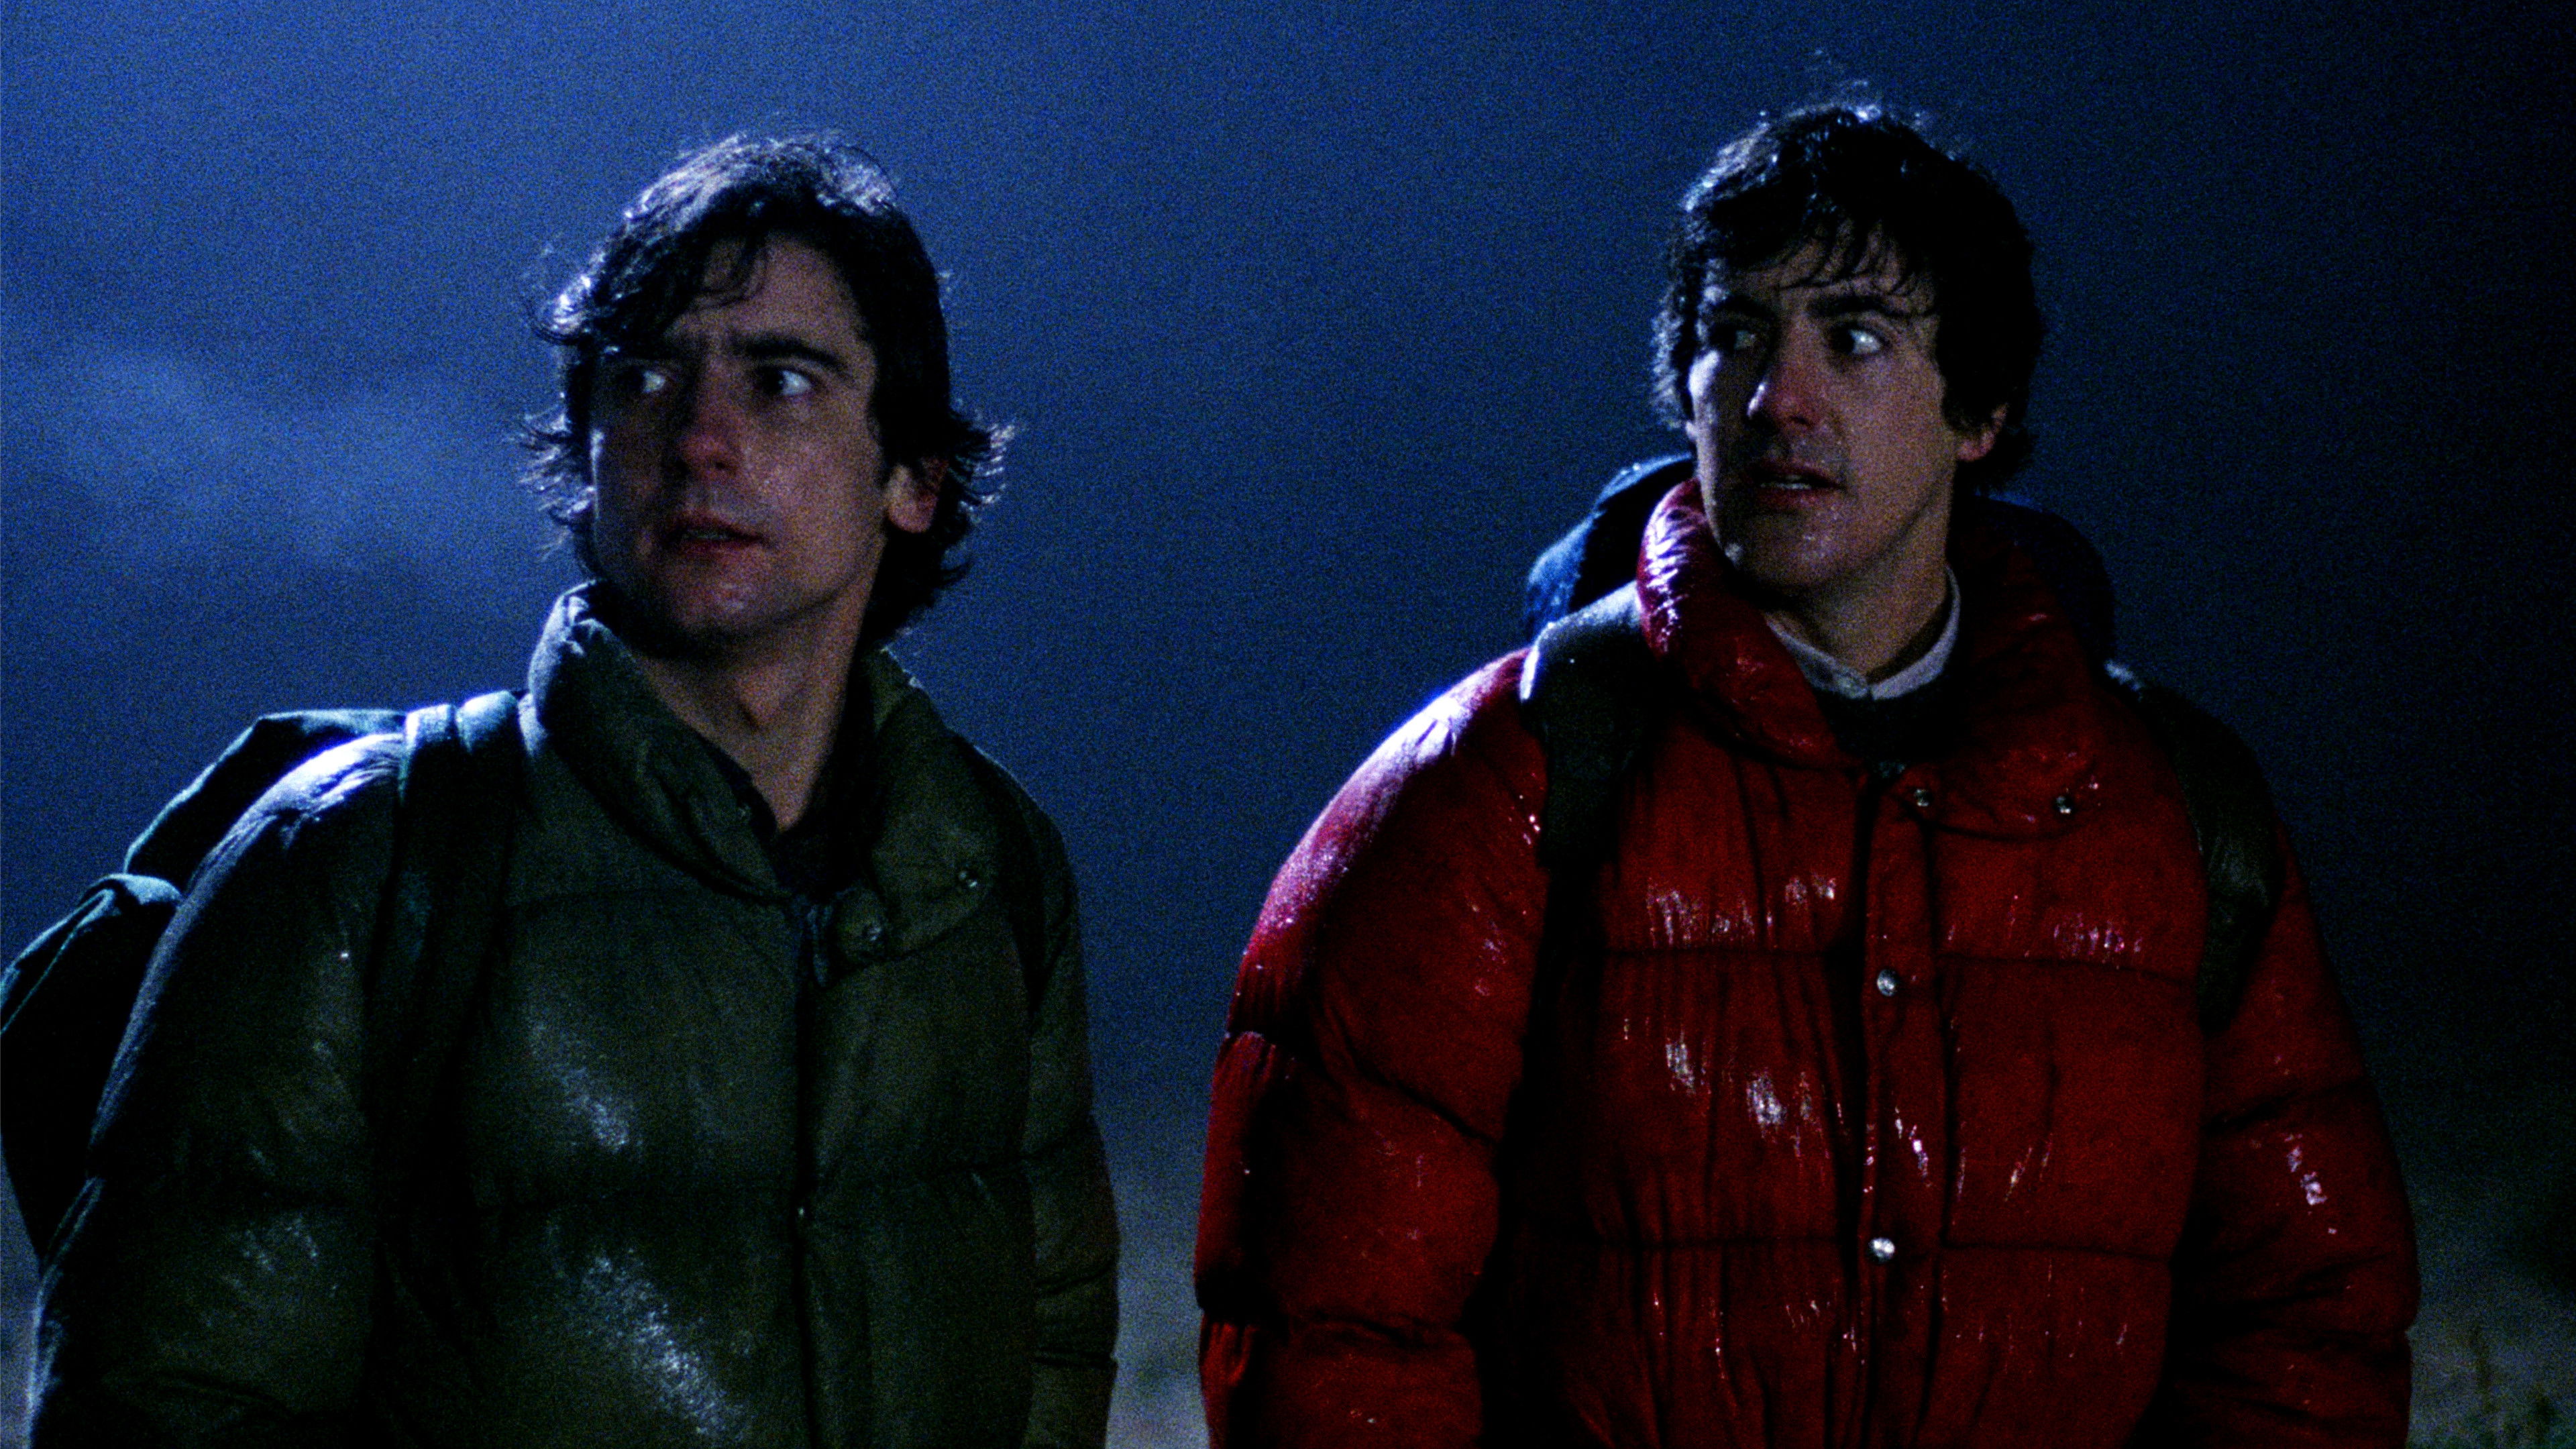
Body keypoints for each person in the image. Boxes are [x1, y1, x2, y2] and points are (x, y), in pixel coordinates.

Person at [1195, 103, 2416, 1446]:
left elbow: (2308, 1325)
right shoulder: (1507, 782)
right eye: (1734, 337)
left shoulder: (2171, 813)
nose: (1778, 398)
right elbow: (1329, 1324)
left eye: (1856, 339)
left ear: (1981, 409)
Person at [34, 136, 1119, 1447]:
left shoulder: (988, 867)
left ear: (912, 479)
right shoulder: (361, 859)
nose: (701, 437)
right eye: (644, 375)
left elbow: (1053, 1333)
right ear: (588, 448)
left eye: (781, 381)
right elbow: (165, 1405)